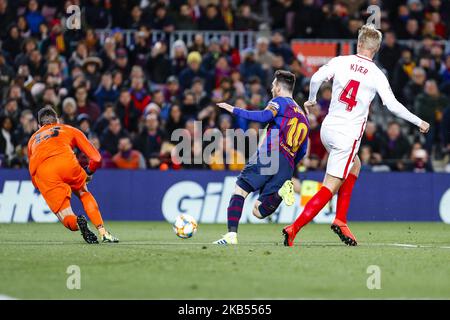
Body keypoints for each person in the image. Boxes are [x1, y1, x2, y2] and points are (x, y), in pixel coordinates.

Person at [282, 24, 430, 247]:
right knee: (329, 187)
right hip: (347, 135)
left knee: (355, 165)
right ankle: (294, 228)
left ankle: (341, 220)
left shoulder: (341, 61)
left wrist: (312, 99)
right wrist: (418, 121)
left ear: (359, 43)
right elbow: (392, 105)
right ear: (377, 49)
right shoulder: (377, 74)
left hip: (328, 128)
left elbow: (315, 78)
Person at [213, 70, 309, 245]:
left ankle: (231, 235)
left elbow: (264, 116)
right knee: (258, 211)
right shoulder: (303, 116)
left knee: (240, 190)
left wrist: (234, 109)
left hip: (269, 154)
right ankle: (281, 192)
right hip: (287, 165)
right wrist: (287, 168)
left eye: (273, 85)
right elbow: (303, 150)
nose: (272, 88)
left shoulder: (279, 102)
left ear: (279, 88)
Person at [27, 106, 119, 244]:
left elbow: (32, 171)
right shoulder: (68, 129)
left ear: (38, 125)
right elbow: (97, 159)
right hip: (67, 163)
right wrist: (88, 172)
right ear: (57, 120)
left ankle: (78, 222)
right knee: (83, 192)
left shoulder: (32, 140)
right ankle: (103, 232)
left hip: (46, 173)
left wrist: (40, 186)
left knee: (65, 216)